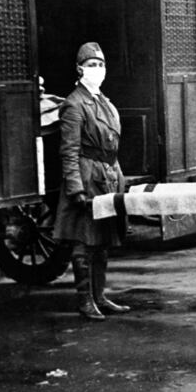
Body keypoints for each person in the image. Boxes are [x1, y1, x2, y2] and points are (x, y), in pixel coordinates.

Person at [53, 42, 129, 321]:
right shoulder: (74, 104)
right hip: (87, 177)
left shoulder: (104, 102)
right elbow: (69, 151)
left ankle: (100, 296)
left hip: (107, 175)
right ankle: (85, 300)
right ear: (79, 69)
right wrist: (75, 188)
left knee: (103, 240)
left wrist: (119, 179)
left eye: (101, 64)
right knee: (84, 242)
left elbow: (112, 145)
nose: (97, 70)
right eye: (91, 65)